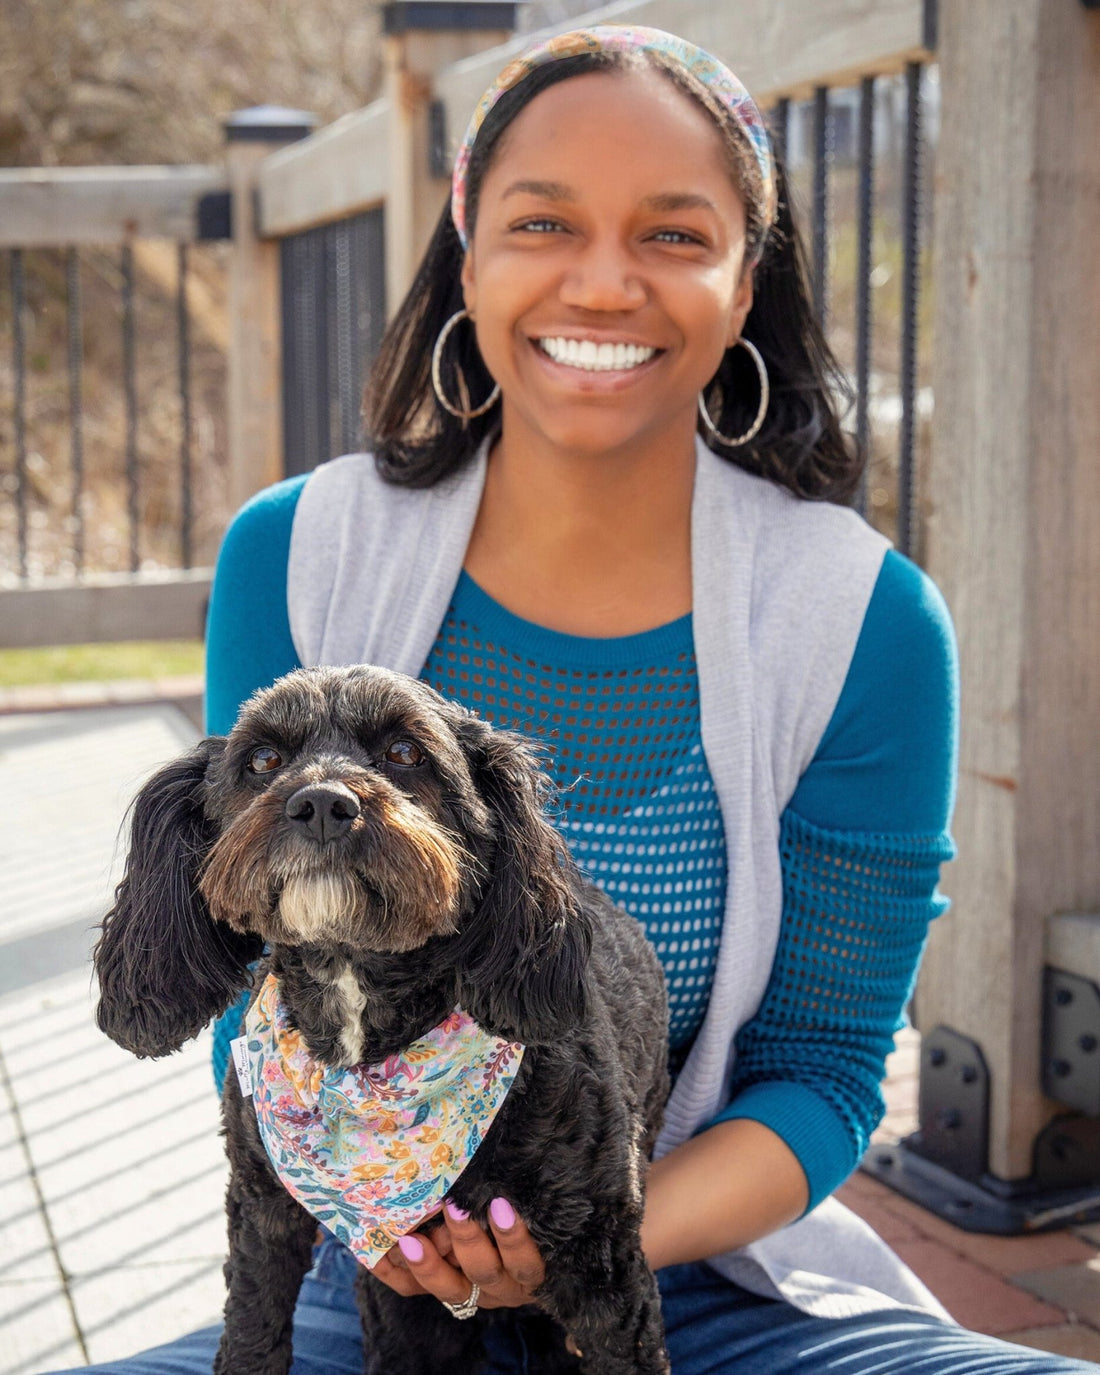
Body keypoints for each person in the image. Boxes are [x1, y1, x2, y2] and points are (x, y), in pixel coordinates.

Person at [55, 25, 1093, 1375]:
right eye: (545, 221)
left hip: (702, 1275)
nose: (603, 283)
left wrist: (591, 1233)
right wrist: (385, 1224)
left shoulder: (861, 619)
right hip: (358, 1265)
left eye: (673, 234)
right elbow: (253, 970)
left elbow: (827, 1072)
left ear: (745, 276)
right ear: (468, 244)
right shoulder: (299, 550)